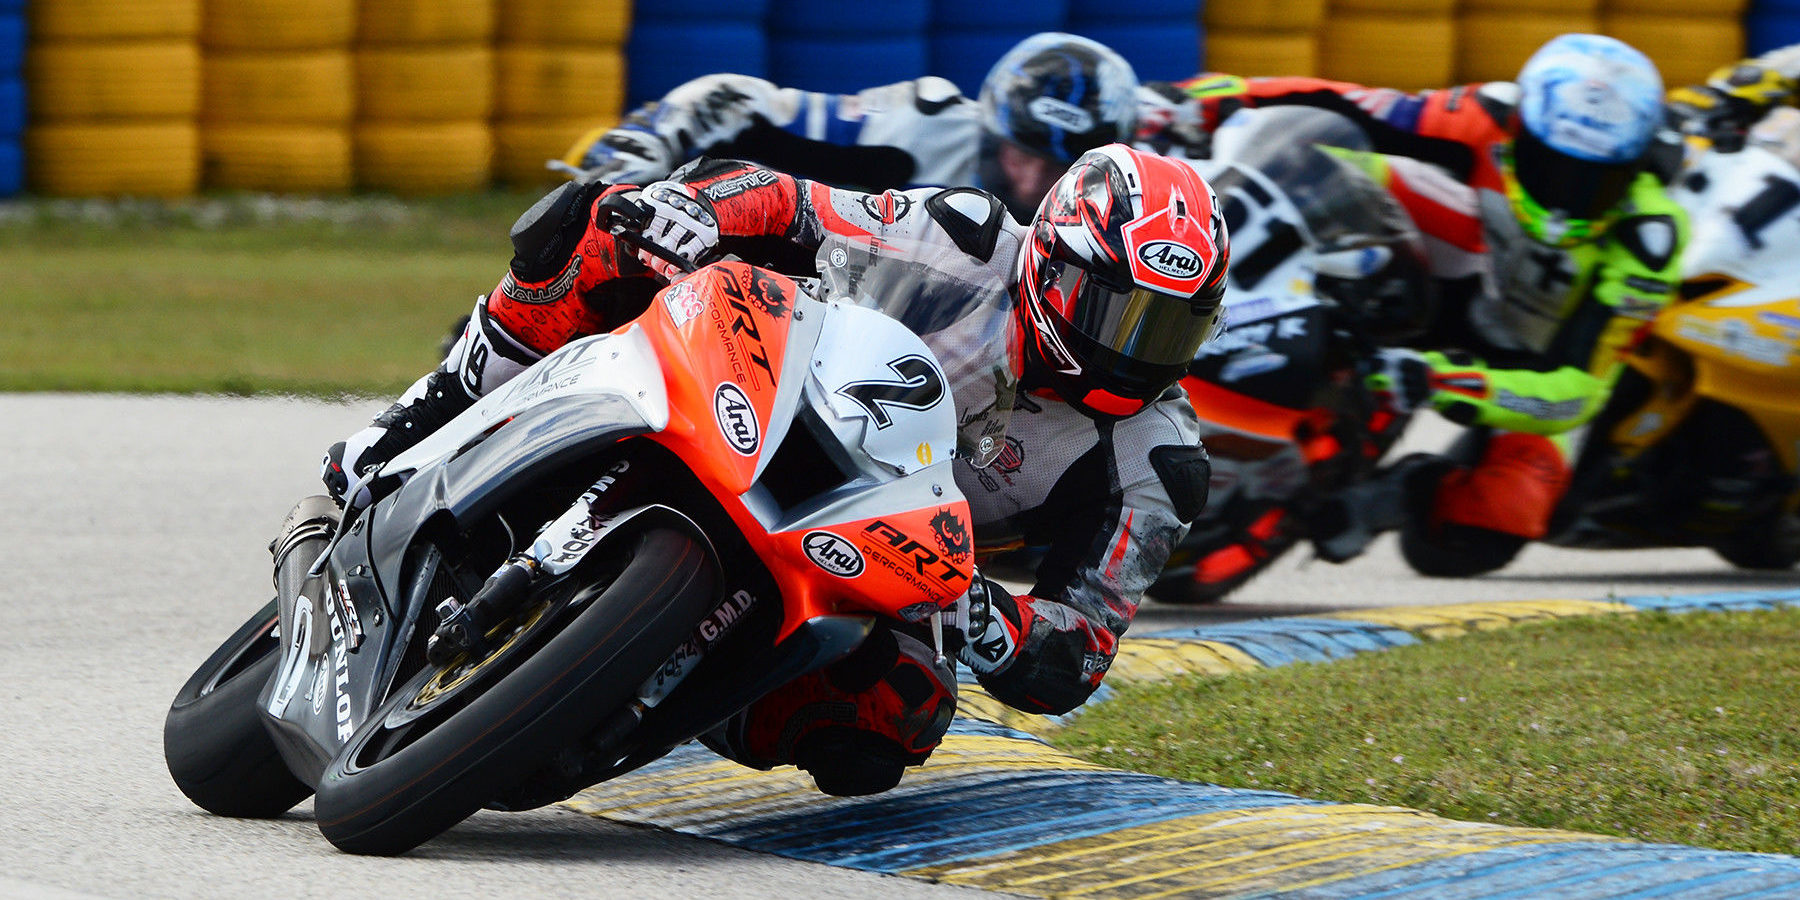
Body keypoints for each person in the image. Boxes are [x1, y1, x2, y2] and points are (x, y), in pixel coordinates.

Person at [321, 144, 1228, 795]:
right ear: (1052, 266)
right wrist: (698, 211)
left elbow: (1078, 653)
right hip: (775, 387)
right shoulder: (966, 239)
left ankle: (634, 702)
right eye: (1118, 316)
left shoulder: (1159, 462)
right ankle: (399, 436)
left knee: (893, 719)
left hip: (881, 556)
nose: (1132, 356)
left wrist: (981, 612)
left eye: (1169, 332)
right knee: (596, 223)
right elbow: (790, 201)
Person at [1139, 35, 1689, 572]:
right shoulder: (1482, 117)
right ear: (1520, 130)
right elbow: (1340, 101)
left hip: (1525, 359)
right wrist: (1204, 99)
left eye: (1597, 180)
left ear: (1635, 168)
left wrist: (1439, 381)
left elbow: (1577, 389)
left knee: (1492, 518)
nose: (1567, 198)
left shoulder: (1650, 240)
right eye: (1554, 165)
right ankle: (1227, 297)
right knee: (1323, 158)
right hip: (1458, 272)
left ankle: (1398, 487)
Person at [556, 32, 1141, 221]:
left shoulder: (1125, 208)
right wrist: (642, 149)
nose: (1037, 181)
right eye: (1023, 152)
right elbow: (733, 100)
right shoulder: (921, 126)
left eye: (1062, 166)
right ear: (992, 129)